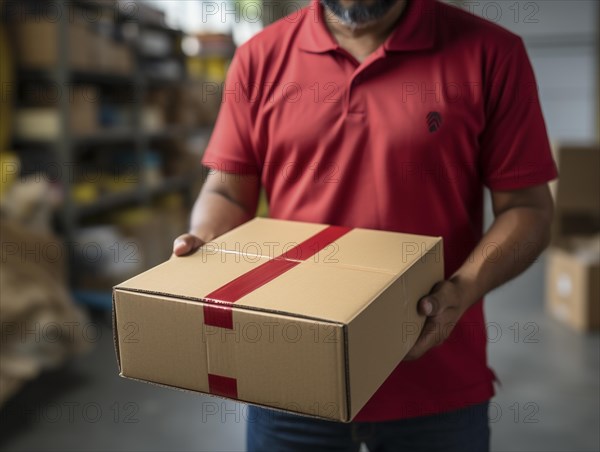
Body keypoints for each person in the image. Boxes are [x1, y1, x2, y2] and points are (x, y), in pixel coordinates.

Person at [173, 0, 557, 450]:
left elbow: (527, 209)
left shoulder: (490, 54)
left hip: (434, 379)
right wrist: (205, 245)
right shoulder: (259, 57)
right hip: (288, 373)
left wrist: (462, 290)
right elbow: (225, 192)